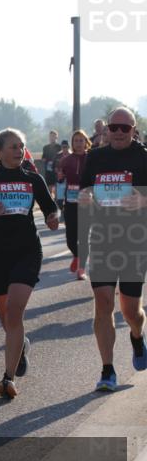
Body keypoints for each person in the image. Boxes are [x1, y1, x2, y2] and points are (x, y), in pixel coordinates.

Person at [0, 128, 59, 399]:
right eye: (13, 146)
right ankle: (21, 346)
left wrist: (53, 217)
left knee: (15, 312)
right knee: (7, 319)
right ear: (0, 151)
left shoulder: (33, 179)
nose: (18, 150)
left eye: (21, 146)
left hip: (27, 251)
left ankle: (8, 378)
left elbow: (51, 207)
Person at [78, 107, 147, 392]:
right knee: (103, 302)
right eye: (113, 127)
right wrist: (85, 197)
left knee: (130, 309)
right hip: (103, 237)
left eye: (124, 128)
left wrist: (143, 202)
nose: (119, 132)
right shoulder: (95, 157)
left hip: (135, 239)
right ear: (106, 130)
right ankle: (107, 370)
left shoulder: (143, 156)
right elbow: (85, 191)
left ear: (133, 130)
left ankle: (137, 334)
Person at [58, 131, 90, 280]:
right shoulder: (66, 160)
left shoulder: (91, 158)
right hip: (70, 201)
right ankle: (77, 255)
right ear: (72, 143)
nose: (78, 143)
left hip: (87, 201)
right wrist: (59, 177)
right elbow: (60, 179)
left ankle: (81, 269)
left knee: (83, 236)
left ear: (86, 142)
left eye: (81, 140)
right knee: (70, 237)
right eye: (76, 140)